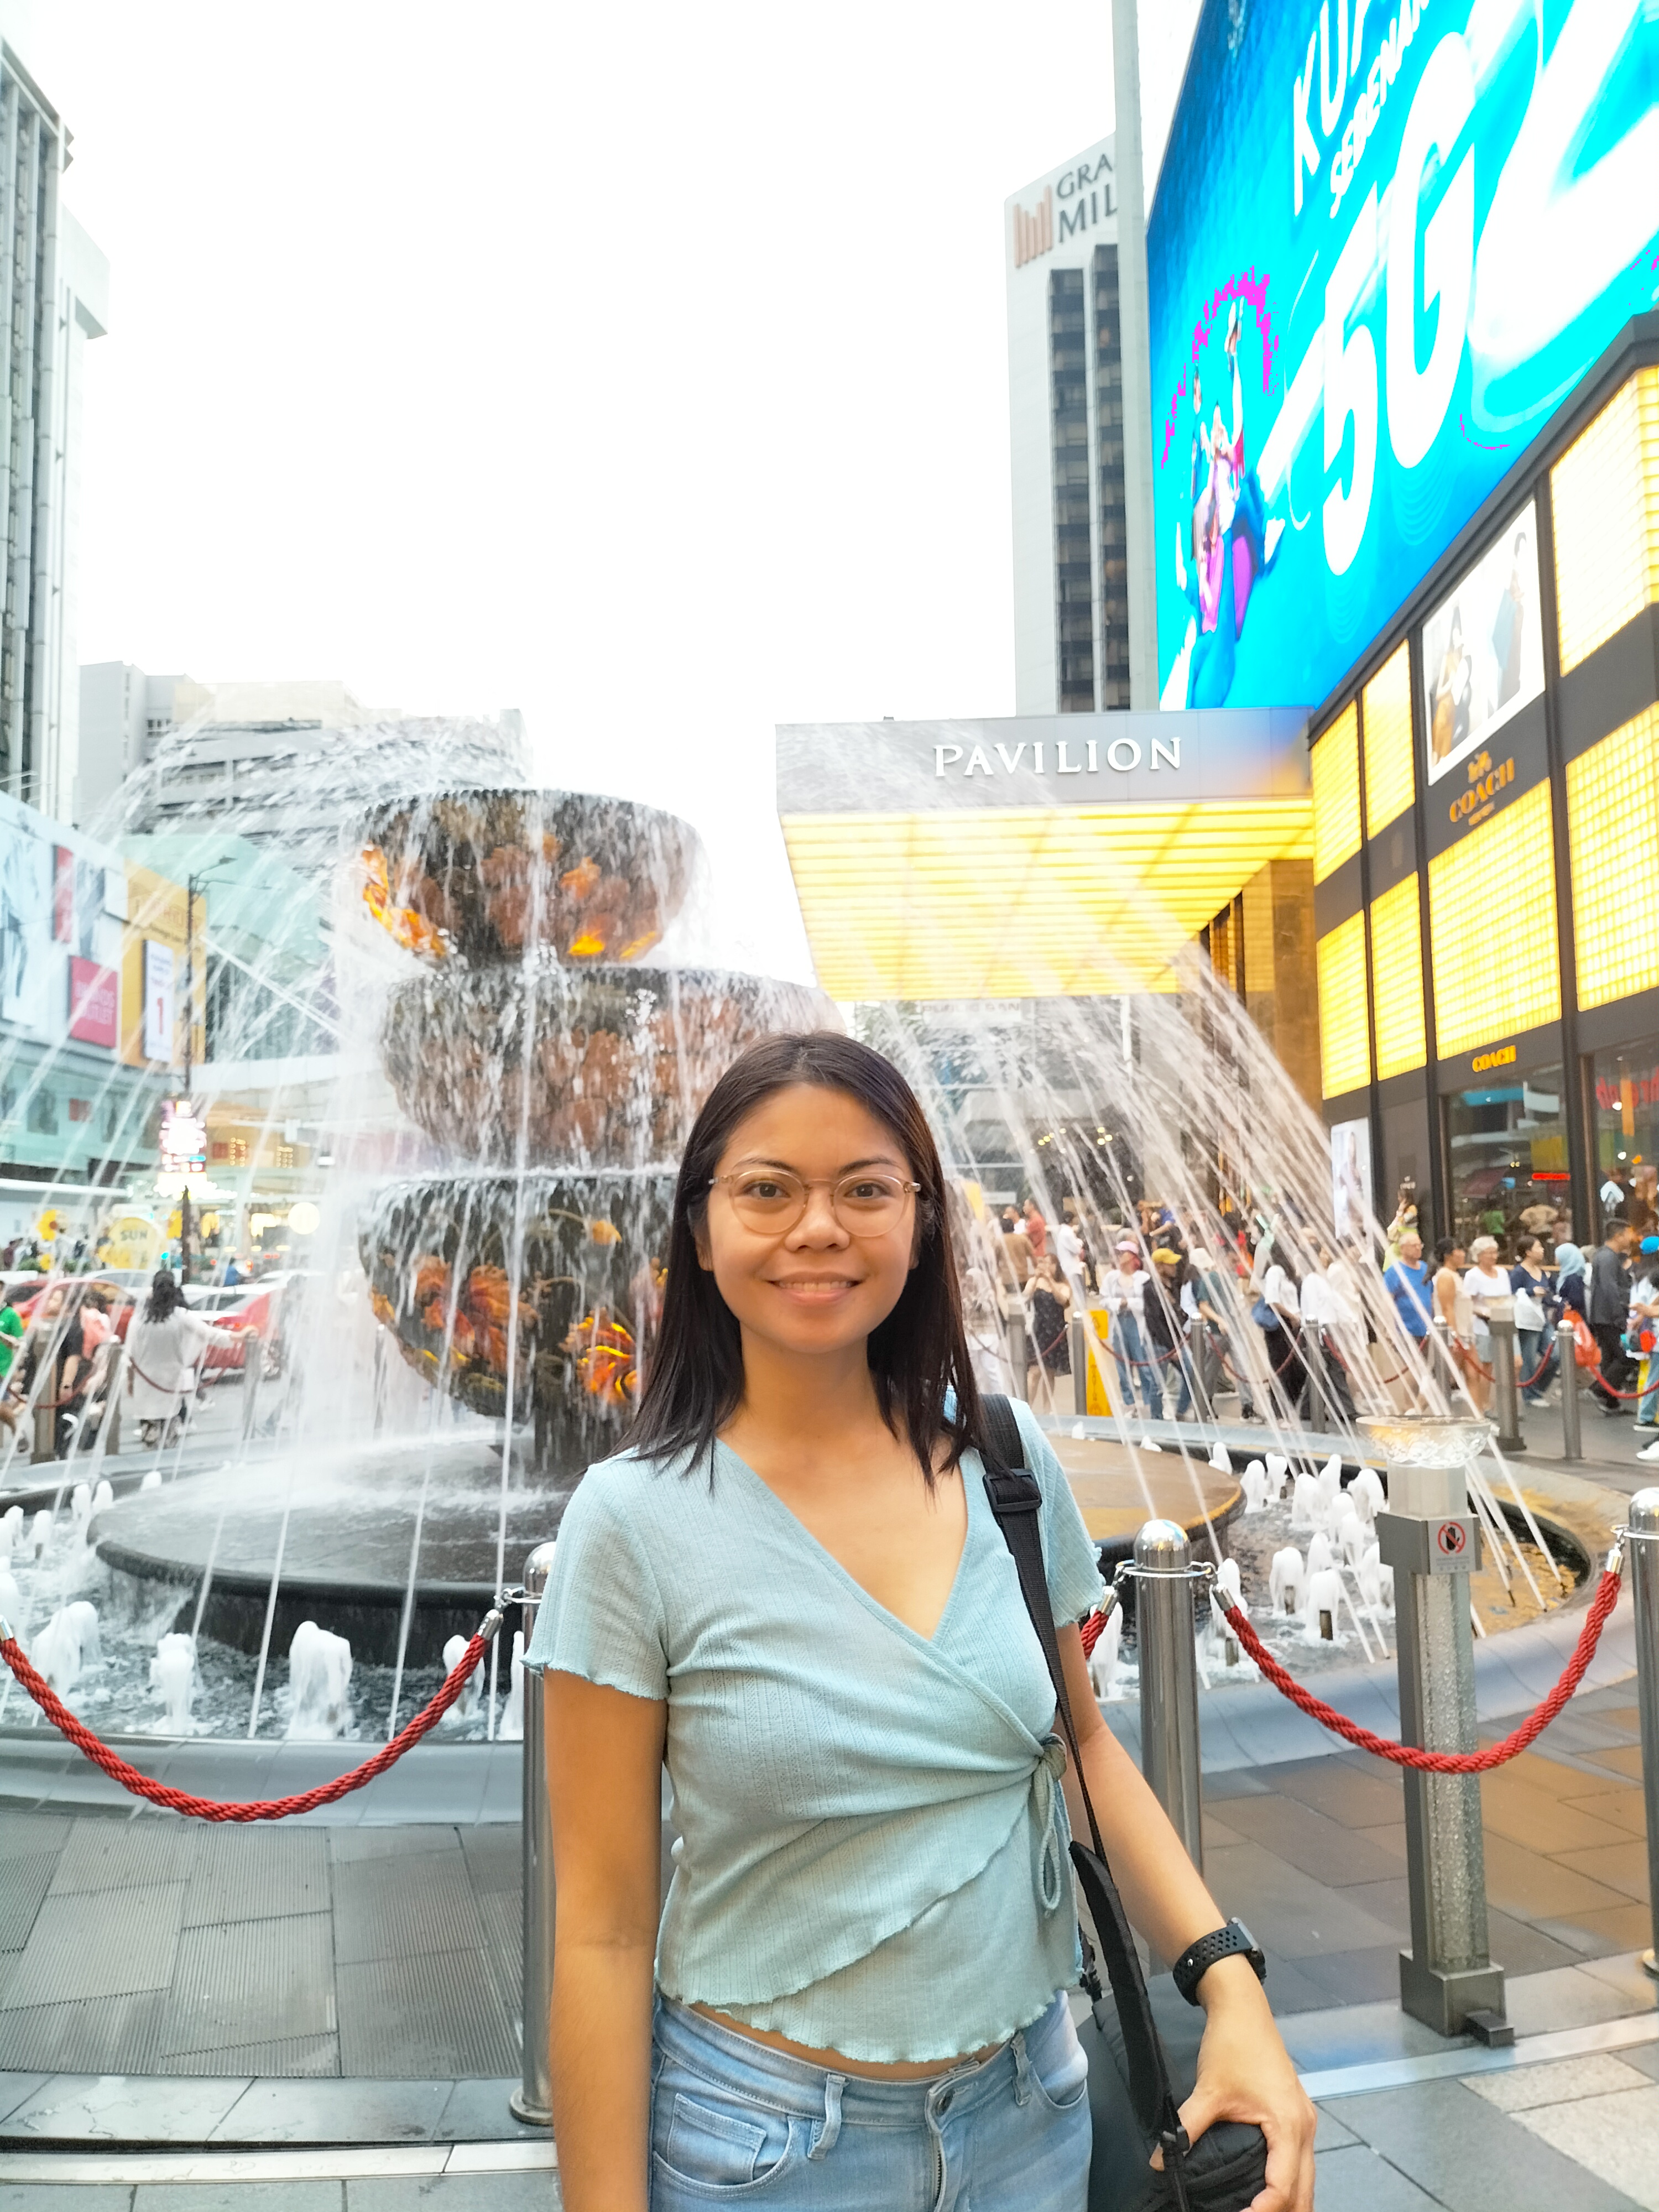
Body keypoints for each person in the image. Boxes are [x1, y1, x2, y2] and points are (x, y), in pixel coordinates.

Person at [532, 1034, 1313, 2211]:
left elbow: (1083, 1750)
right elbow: (600, 1928)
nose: (818, 1228)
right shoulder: (633, 1521)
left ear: (922, 1218)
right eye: (767, 1190)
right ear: (700, 1229)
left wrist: (1229, 1983)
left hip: (1034, 2114)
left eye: (865, 1189)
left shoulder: (1003, 1459)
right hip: (764, 2148)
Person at [124, 1269, 249, 1449]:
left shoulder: (139, 1320)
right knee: (169, 1433)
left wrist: (130, 1381)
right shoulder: (180, 1316)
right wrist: (240, 1337)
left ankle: (150, 1448)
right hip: (170, 1382)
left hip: (145, 1383)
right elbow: (210, 1334)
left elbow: (129, 1355)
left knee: (149, 1436)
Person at [1100, 1236, 1154, 1417]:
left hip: (1137, 1324)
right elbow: (1104, 1299)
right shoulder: (1111, 1277)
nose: (1118, 1256)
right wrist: (1119, 1303)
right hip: (1118, 1324)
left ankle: (1148, 1404)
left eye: (1121, 1253)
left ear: (1132, 1256)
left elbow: (1147, 1302)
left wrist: (1128, 1303)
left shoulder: (1144, 1278)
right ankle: (1129, 1404)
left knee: (1143, 1364)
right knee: (1122, 1367)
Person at [1588, 1219, 1636, 1415]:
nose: (1631, 1238)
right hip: (1610, 1317)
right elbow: (1610, 1289)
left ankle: (1610, 1402)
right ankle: (1599, 1390)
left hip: (1603, 1316)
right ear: (1618, 1236)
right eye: (1628, 1234)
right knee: (1627, 1356)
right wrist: (1619, 1317)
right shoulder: (1608, 1258)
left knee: (1610, 1358)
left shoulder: (1605, 1255)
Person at [1432, 1237, 1483, 1411]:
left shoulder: (1455, 1276)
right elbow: (1447, 1308)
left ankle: (1478, 1417)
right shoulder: (1445, 1277)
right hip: (1456, 1334)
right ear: (1449, 1255)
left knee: (1473, 1374)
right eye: (1459, 1251)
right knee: (1445, 1376)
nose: (1463, 1254)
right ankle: (1417, 1407)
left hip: (1466, 1332)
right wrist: (1454, 1337)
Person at [1464, 1236, 1515, 1409]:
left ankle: (1508, 1404)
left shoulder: (1503, 1273)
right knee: (1486, 1365)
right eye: (1489, 1253)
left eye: (1495, 1252)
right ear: (1479, 1255)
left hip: (1504, 1321)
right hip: (1482, 1325)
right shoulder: (1473, 1276)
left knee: (1510, 1363)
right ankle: (1484, 1403)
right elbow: (1467, 1303)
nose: (1494, 1256)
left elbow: (1507, 1297)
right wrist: (1483, 1312)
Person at [1023, 1251, 1072, 1408]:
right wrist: (1037, 1278)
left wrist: (1050, 1281)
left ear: (1056, 1266)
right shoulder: (1034, 1282)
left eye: (1051, 1263)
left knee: (1050, 1373)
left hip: (1055, 1331)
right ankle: (1027, 1407)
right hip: (1038, 1330)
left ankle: (1047, 1409)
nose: (1047, 1266)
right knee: (1035, 1371)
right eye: (1044, 1262)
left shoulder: (1063, 1285)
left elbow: (1063, 1300)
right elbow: (1025, 1297)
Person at [1510, 1236, 1556, 1404]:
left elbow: (1548, 1295)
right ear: (1528, 1252)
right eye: (1539, 1247)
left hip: (1542, 1317)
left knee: (1556, 1354)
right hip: (1527, 1320)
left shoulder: (1542, 1272)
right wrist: (1531, 1291)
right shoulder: (1518, 1272)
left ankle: (1537, 1387)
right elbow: (1511, 1293)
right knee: (1528, 1358)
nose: (1542, 1250)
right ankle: (1530, 1395)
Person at [1021, 1198, 1048, 1262]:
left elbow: (1022, 1237)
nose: (1024, 1208)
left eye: (1025, 1205)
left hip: (1036, 1256)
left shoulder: (1035, 1221)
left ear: (1032, 1206)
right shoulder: (1036, 1219)